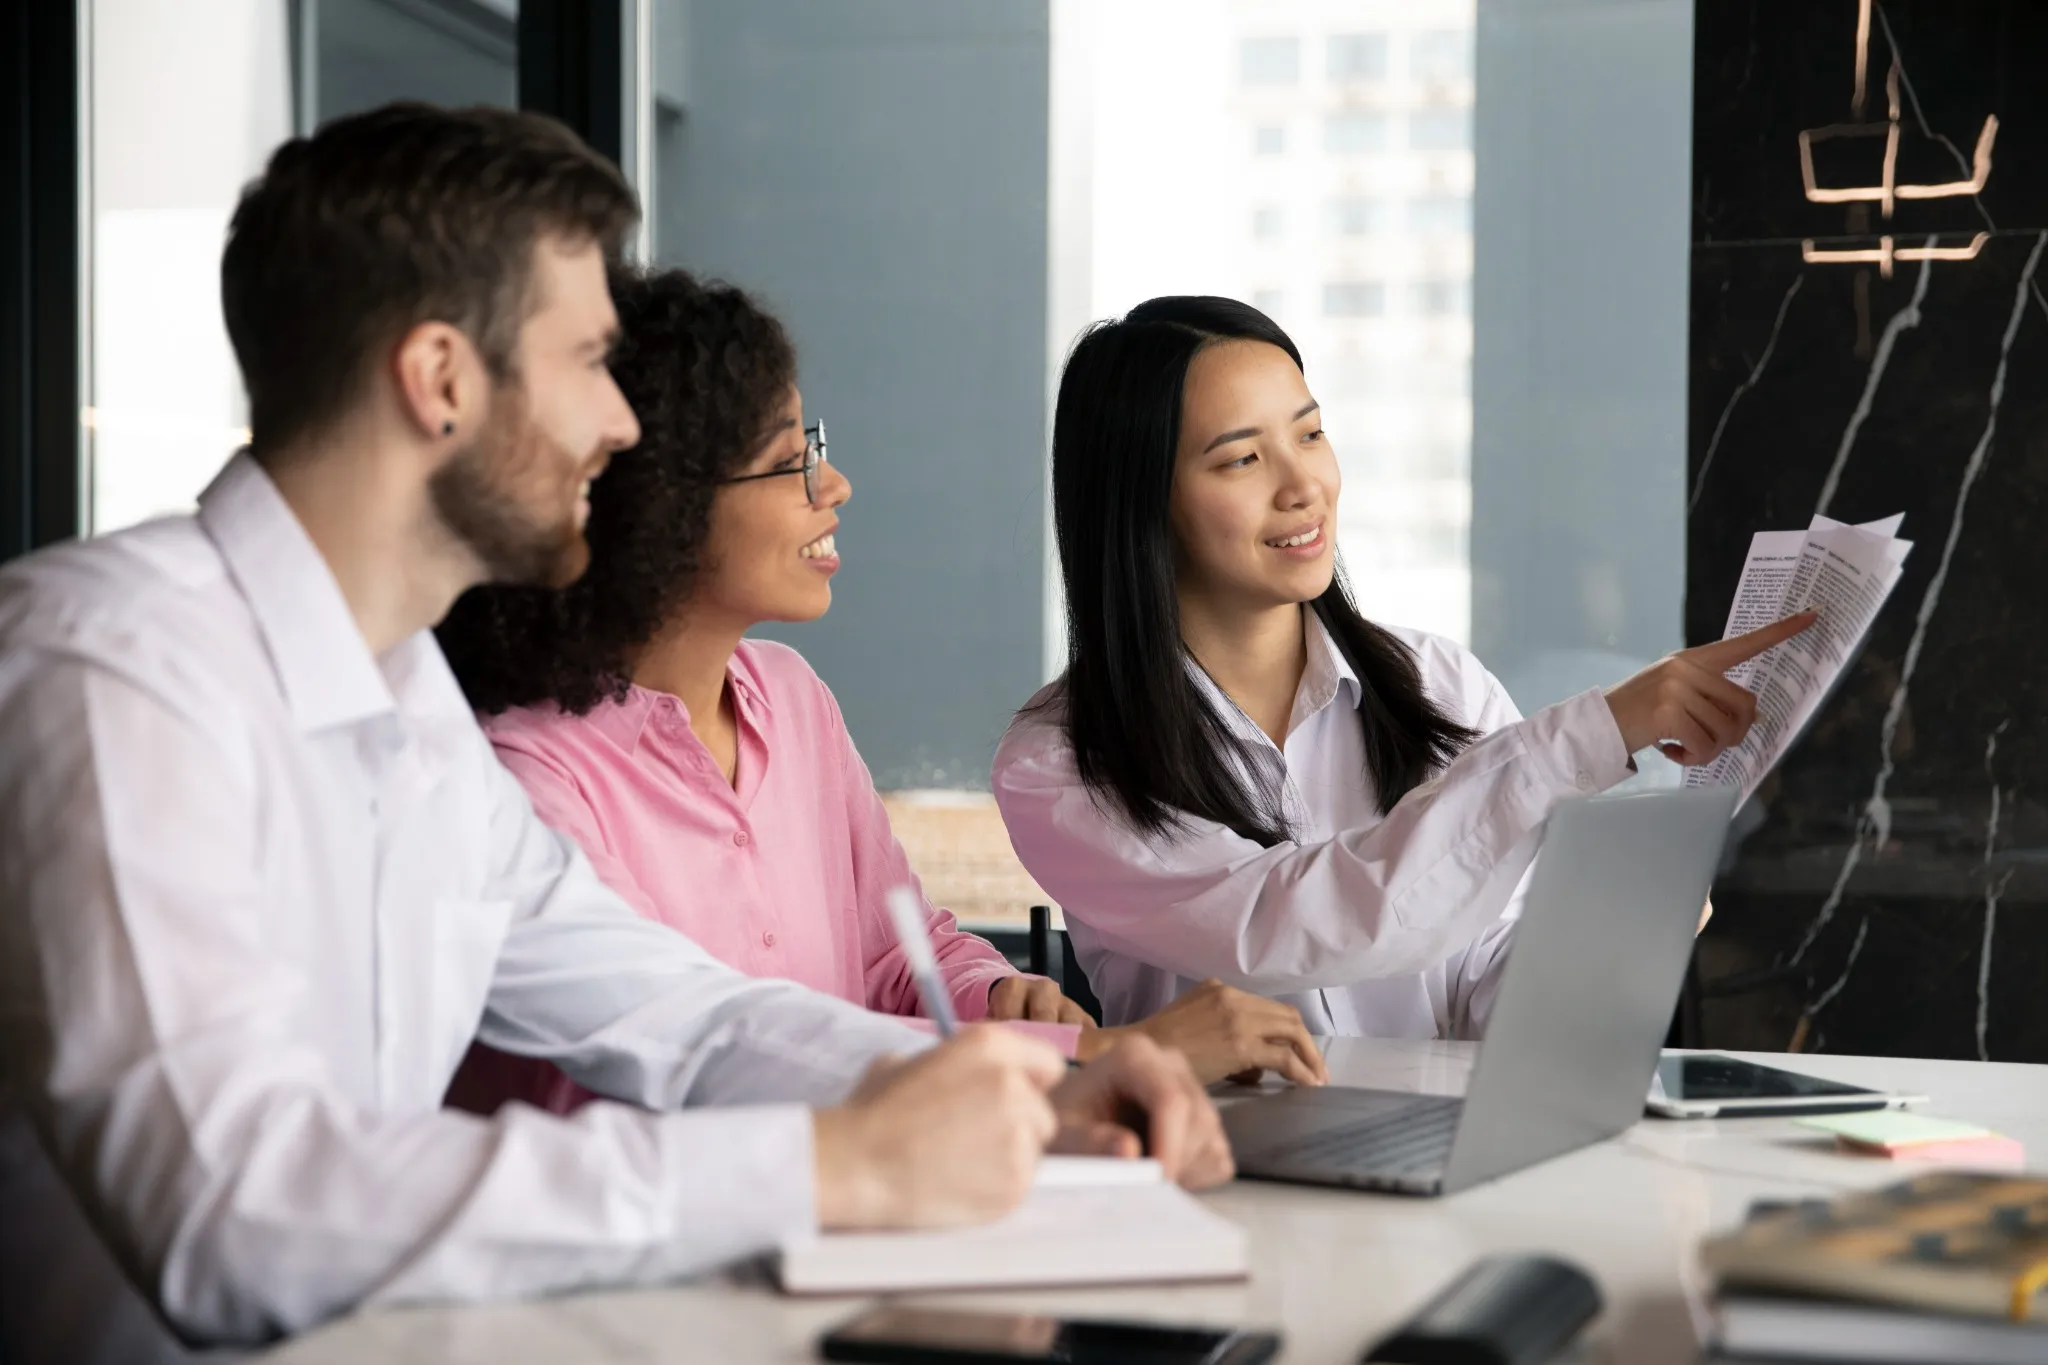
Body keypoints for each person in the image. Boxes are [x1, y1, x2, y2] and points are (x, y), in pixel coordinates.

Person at [0, 106, 1229, 1358]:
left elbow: (681, 1016)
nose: (626, 425)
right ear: (438, 380)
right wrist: (825, 1167)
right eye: (587, 361)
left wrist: (1023, 1087)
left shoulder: (405, 702)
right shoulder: (111, 670)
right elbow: (232, 1216)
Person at [432, 266, 1327, 1098]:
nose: (836, 485)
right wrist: (1099, 1054)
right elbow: (710, 1055)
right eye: (792, 461)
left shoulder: (790, 698)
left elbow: (901, 956)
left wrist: (997, 997)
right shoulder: (528, 775)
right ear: (657, 507)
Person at [991, 296, 1808, 1040]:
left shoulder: (1436, 682)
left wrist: (1621, 928)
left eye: (1310, 433)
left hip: (1430, 1157)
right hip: (1221, 1177)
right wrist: (1595, 732)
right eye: (1242, 459)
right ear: (1141, 502)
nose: (1303, 484)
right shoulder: (1064, 760)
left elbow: (1486, 992)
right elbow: (1295, 928)